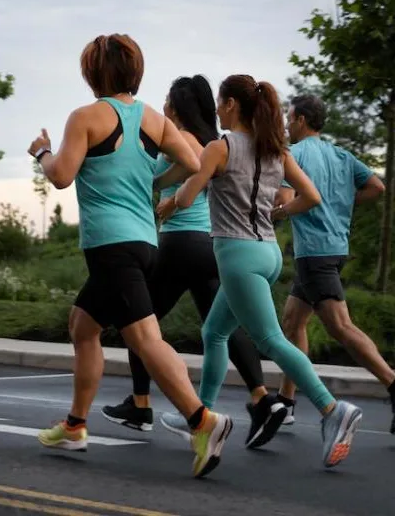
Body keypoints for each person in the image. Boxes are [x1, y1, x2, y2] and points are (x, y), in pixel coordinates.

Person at [27, 34, 233, 478]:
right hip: (144, 242)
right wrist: (155, 184)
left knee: (144, 338)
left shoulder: (85, 117)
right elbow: (195, 163)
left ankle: (203, 421)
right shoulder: (154, 120)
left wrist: (42, 152)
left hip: (111, 246)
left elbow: (61, 176)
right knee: (83, 326)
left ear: (92, 72)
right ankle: (76, 425)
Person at [174, 74, 363, 469]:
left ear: (230, 106)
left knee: (272, 340)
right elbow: (310, 196)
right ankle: (202, 415)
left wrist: (167, 202)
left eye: (220, 103)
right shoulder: (276, 149)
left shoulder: (219, 147)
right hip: (269, 253)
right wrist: (279, 212)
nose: (216, 110)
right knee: (214, 331)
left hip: (238, 255)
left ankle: (333, 410)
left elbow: (188, 194)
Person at [101, 74, 286, 450]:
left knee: (138, 321)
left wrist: (156, 188)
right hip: (209, 247)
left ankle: (140, 406)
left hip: (180, 244)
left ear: (178, 106)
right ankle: (262, 398)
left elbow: (173, 175)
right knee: (220, 327)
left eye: (168, 100)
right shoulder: (212, 141)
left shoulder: (183, 140)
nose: (164, 105)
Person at [274, 94, 393, 433]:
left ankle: (392, 382)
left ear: (300, 120)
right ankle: (286, 400)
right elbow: (376, 186)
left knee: (340, 327)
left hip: (314, 252)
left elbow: (283, 201)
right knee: (292, 321)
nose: (285, 124)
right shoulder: (340, 155)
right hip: (335, 248)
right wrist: (342, 202)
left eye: (289, 118)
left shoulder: (294, 155)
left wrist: (275, 211)